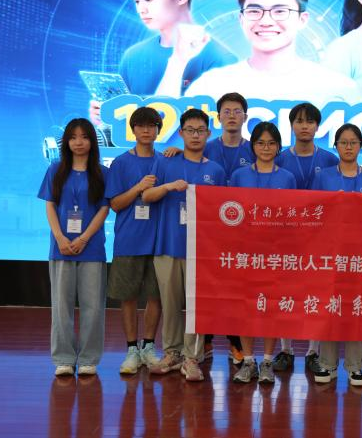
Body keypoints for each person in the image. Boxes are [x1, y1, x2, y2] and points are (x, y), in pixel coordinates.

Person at [185, 0, 359, 108]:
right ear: (241, 19)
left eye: (280, 11)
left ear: (302, 19)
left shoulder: (338, 89)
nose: (266, 21)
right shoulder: (210, 88)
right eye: (254, 11)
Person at [89, 0, 236, 123]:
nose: (141, 9)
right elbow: (125, 124)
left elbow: (223, 129)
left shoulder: (220, 58)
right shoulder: (133, 56)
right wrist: (107, 116)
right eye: (137, 1)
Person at [142, 108, 227, 381]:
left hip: (201, 251)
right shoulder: (166, 163)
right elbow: (146, 196)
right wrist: (168, 187)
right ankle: (172, 353)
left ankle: (192, 357)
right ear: (180, 133)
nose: (195, 135)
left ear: (208, 134)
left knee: (196, 307)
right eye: (190, 130)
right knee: (170, 304)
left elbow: (222, 212)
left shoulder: (215, 170)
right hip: (167, 245)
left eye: (200, 130)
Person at [38, 118, 109, 376]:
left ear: (93, 141)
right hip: (61, 248)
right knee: (61, 306)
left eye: (85, 137)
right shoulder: (55, 170)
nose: (79, 142)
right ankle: (64, 359)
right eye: (73, 137)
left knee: (93, 306)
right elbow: (50, 205)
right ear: (66, 142)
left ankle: (89, 358)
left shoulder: (102, 173)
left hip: (92, 248)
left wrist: (84, 238)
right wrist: (60, 237)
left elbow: (104, 209)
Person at [310, 123, 362, 387]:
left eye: (353, 142)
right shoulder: (324, 177)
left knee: (355, 307)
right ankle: (327, 363)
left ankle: (354, 366)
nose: (349, 147)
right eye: (343, 142)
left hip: (360, 254)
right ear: (336, 146)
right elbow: (314, 211)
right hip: (330, 253)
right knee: (330, 307)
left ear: (361, 146)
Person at [272, 102, 339, 373]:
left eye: (310, 121)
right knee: (284, 293)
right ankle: (285, 349)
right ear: (291, 126)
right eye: (299, 121)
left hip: (320, 237)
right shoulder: (279, 159)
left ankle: (313, 351)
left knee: (316, 294)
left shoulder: (330, 160)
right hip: (286, 237)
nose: (304, 126)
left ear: (318, 127)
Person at [229, 121, 297, 384]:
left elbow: (293, 218)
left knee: (271, 308)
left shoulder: (287, 178)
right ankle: (248, 362)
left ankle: (267, 361)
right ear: (253, 146)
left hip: (275, 254)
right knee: (245, 308)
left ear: (278, 147)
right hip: (245, 253)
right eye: (260, 143)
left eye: (271, 143)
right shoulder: (239, 176)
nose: (266, 148)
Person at [106, 107, 164, 374]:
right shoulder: (120, 163)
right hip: (128, 240)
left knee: (156, 296)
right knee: (127, 297)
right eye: (141, 125)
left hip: (159, 242)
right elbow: (116, 204)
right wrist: (139, 187)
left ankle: (149, 347)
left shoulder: (165, 161)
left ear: (158, 130)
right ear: (133, 130)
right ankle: (131, 349)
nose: (146, 130)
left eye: (151, 125)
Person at [204, 92, 256, 177]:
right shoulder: (206, 149)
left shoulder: (254, 150)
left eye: (237, 112)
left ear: (245, 118)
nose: (232, 116)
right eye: (227, 112)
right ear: (219, 117)